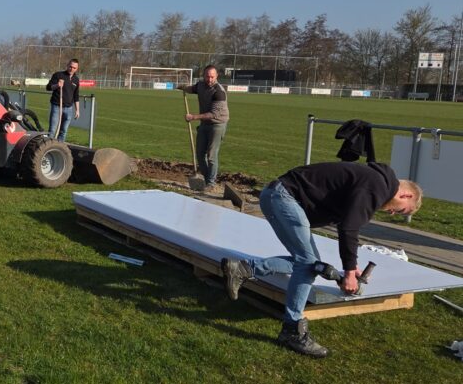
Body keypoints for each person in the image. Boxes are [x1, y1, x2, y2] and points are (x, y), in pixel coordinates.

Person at [221, 161, 423, 358]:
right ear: (406, 194)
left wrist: (352, 268)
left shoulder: (375, 182)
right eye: (400, 210)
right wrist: (350, 273)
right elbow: (349, 229)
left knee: (308, 263)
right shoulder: (377, 187)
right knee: (309, 265)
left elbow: (348, 223)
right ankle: (292, 330)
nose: (391, 212)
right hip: (284, 198)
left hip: (278, 195)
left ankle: (244, 269)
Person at [177, 65, 228, 189]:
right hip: (205, 124)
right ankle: (206, 179)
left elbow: (213, 114)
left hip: (217, 124)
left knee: (211, 155)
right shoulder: (200, 85)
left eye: (212, 77)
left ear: (216, 77)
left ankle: (211, 183)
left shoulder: (219, 92)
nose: (209, 79)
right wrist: (183, 87)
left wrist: (193, 117)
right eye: (207, 76)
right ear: (204, 76)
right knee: (200, 154)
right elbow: (192, 89)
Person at [46, 58, 80, 141]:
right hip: (57, 106)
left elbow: (76, 95)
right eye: (70, 67)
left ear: (77, 69)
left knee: (63, 131)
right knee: (52, 131)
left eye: (74, 68)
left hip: (69, 108)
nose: (72, 69)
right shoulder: (58, 75)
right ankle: (49, 148)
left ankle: (59, 148)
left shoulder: (76, 80)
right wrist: (57, 85)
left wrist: (77, 110)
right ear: (67, 65)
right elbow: (48, 87)